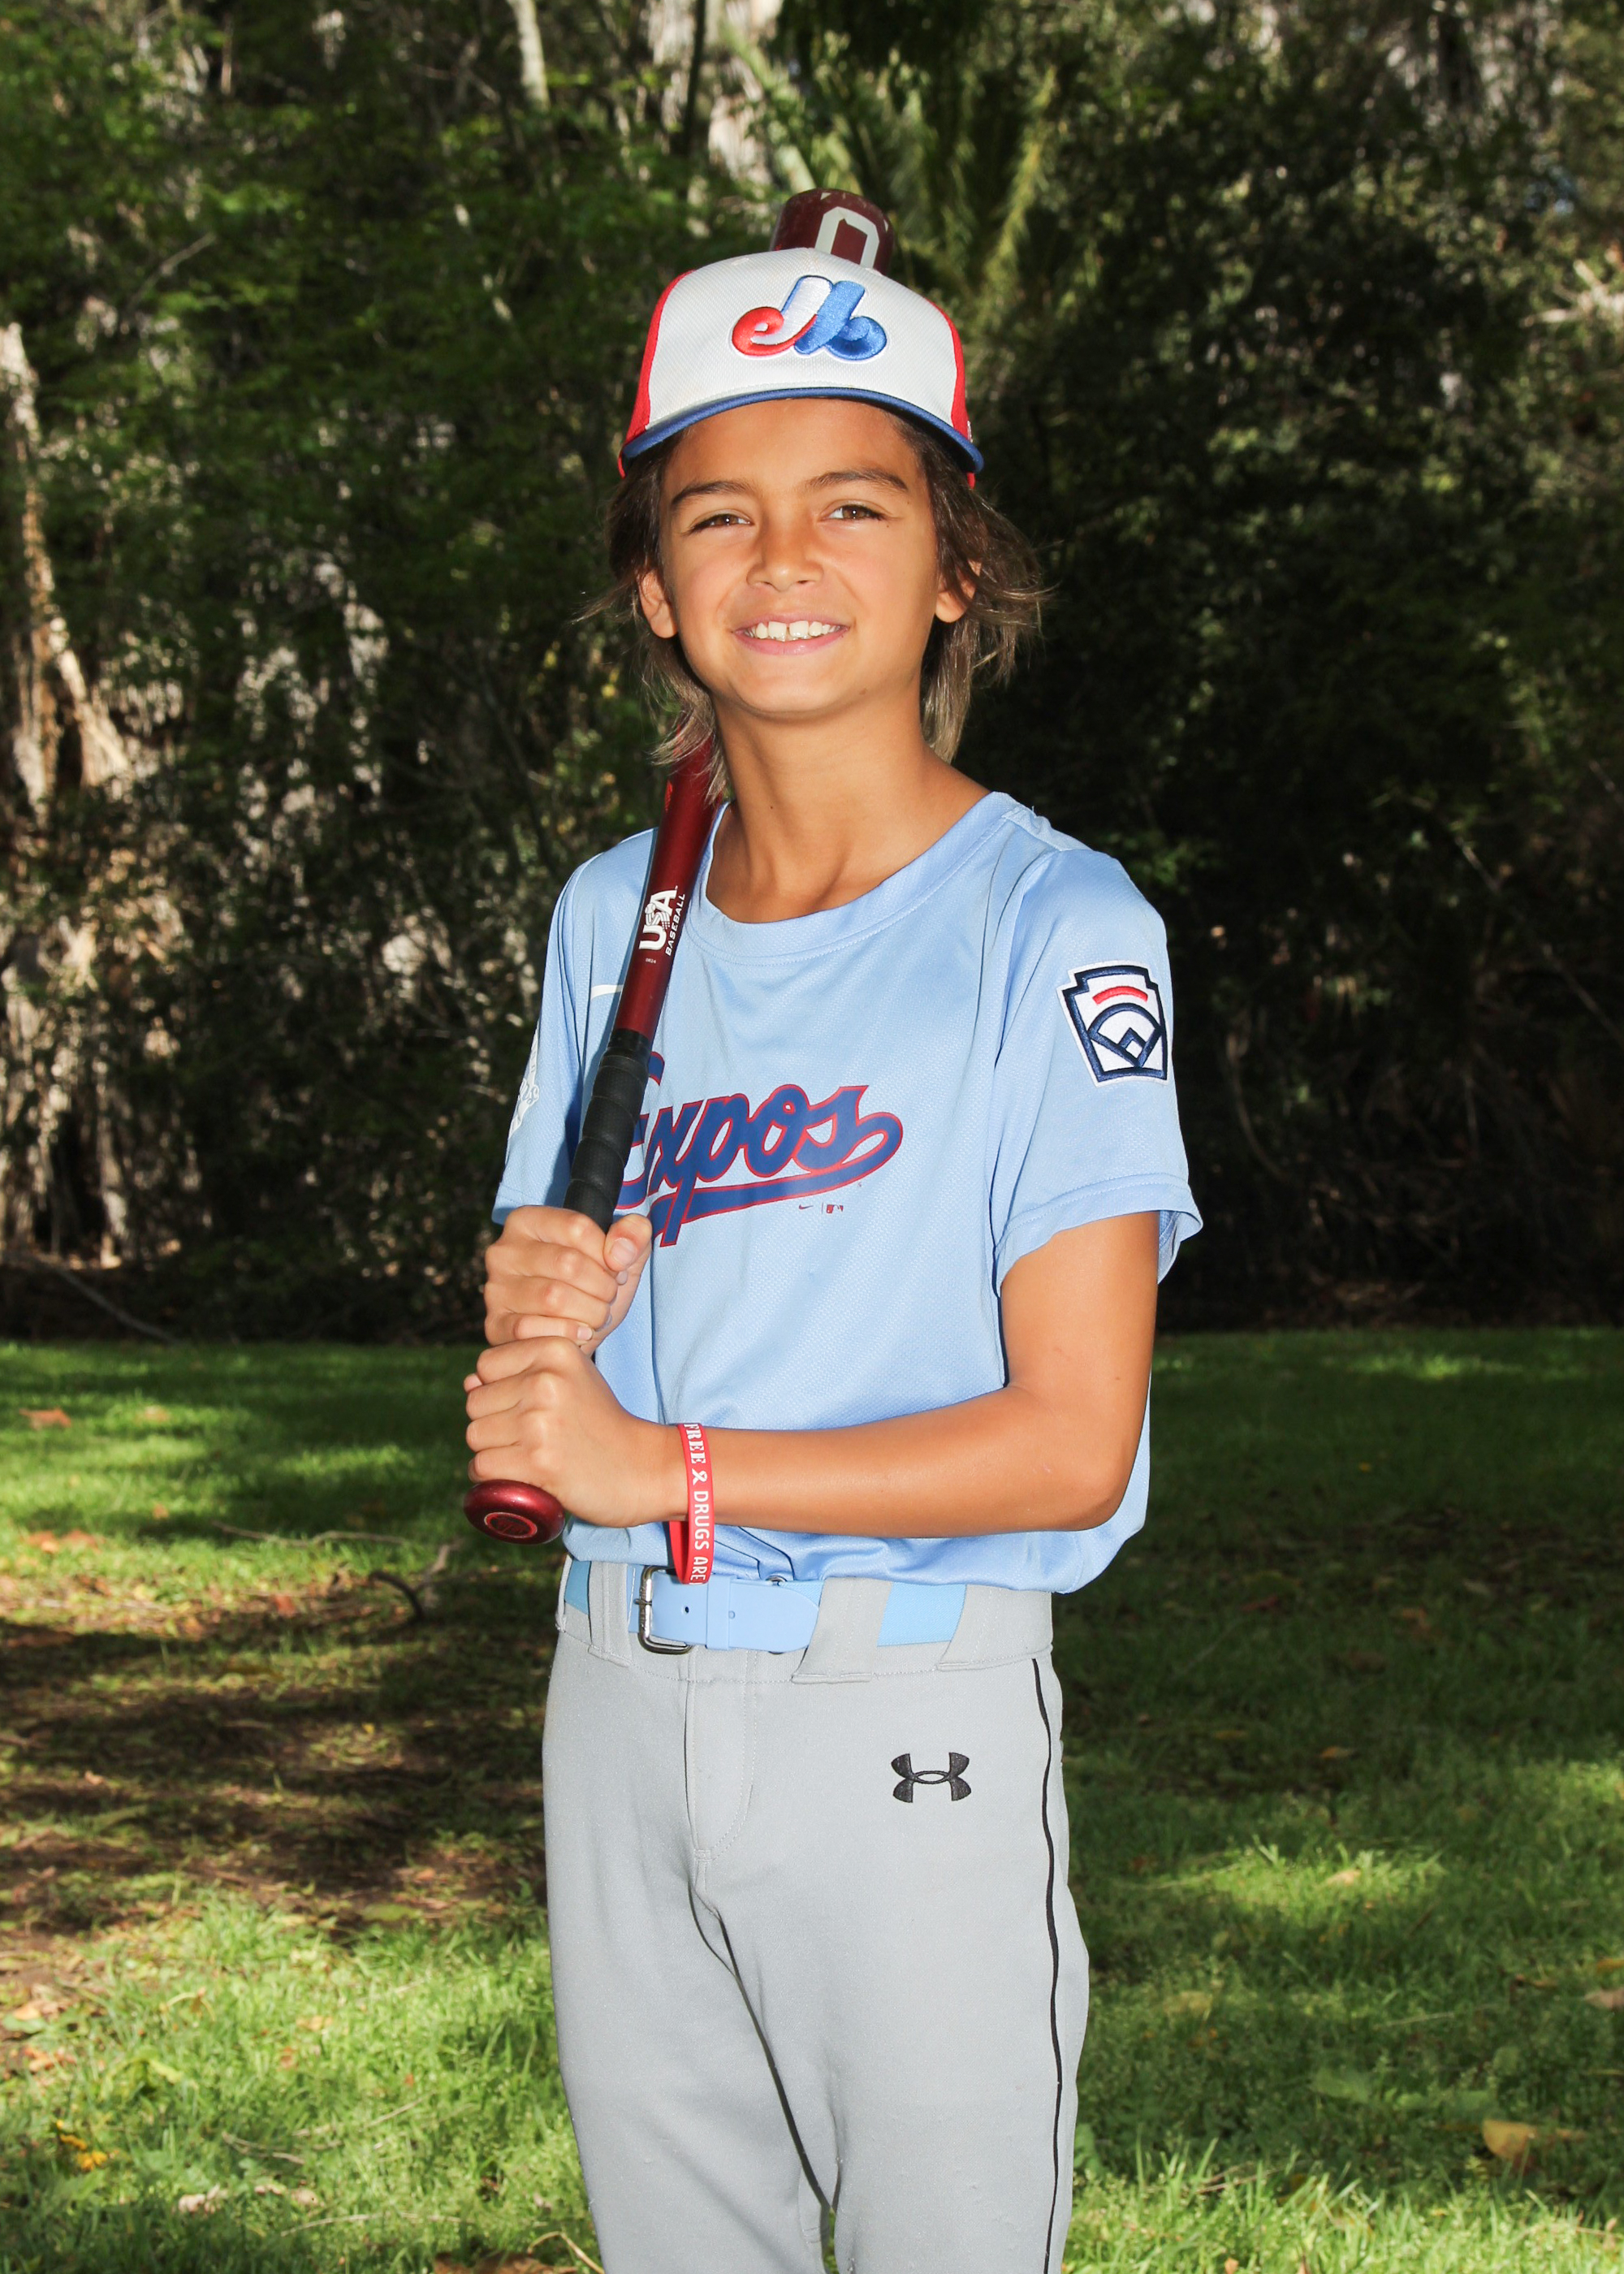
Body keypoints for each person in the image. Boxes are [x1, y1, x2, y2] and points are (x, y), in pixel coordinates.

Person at [464, 224, 1200, 2274]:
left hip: (901, 1708)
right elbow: (558, 1302)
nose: (783, 556)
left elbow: (1071, 1438)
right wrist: (540, 1320)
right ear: (653, 585)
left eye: (853, 504)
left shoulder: (1056, 925)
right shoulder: (611, 911)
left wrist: (668, 1465)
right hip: (616, 1693)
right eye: (719, 512)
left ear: (955, 564)